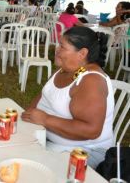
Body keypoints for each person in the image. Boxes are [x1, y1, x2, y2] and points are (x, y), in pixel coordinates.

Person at [21, 26, 114, 168]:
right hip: (47, 139)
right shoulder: (67, 69)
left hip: (84, 153)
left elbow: (91, 130)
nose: (56, 49)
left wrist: (45, 120)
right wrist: (28, 118)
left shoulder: (92, 81)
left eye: (62, 47)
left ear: (82, 53)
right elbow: (44, 95)